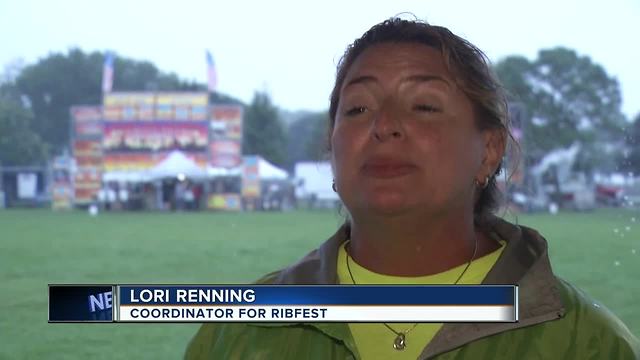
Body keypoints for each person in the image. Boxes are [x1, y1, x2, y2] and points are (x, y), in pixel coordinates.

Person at [185, 18, 640, 359]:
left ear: (489, 151)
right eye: (358, 109)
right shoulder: (236, 334)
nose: (384, 126)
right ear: (332, 146)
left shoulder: (587, 344)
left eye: (424, 106)